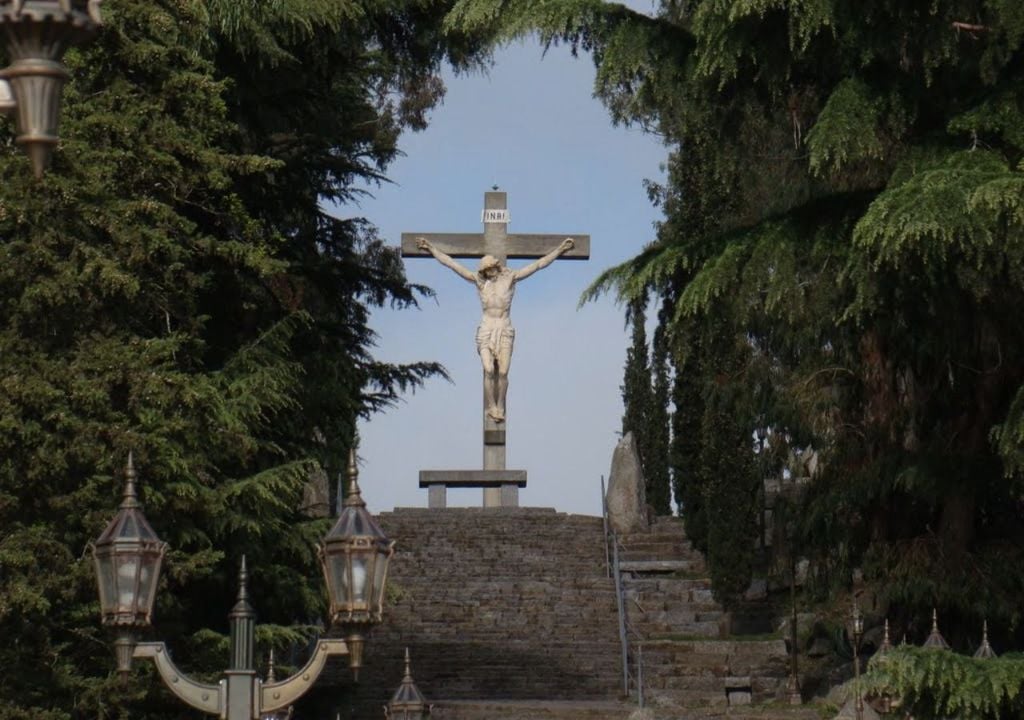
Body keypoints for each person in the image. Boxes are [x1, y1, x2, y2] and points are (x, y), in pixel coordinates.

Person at [415, 236, 575, 423]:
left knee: (504, 372)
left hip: (505, 328)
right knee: (489, 369)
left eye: (489, 268)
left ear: (495, 267)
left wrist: (559, 250)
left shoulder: (510, 278)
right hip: (486, 329)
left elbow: (538, 265)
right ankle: (491, 407)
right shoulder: (480, 282)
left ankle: (500, 406)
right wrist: (432, 249)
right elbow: (452, 264)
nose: (487, 272)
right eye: (485, 270)